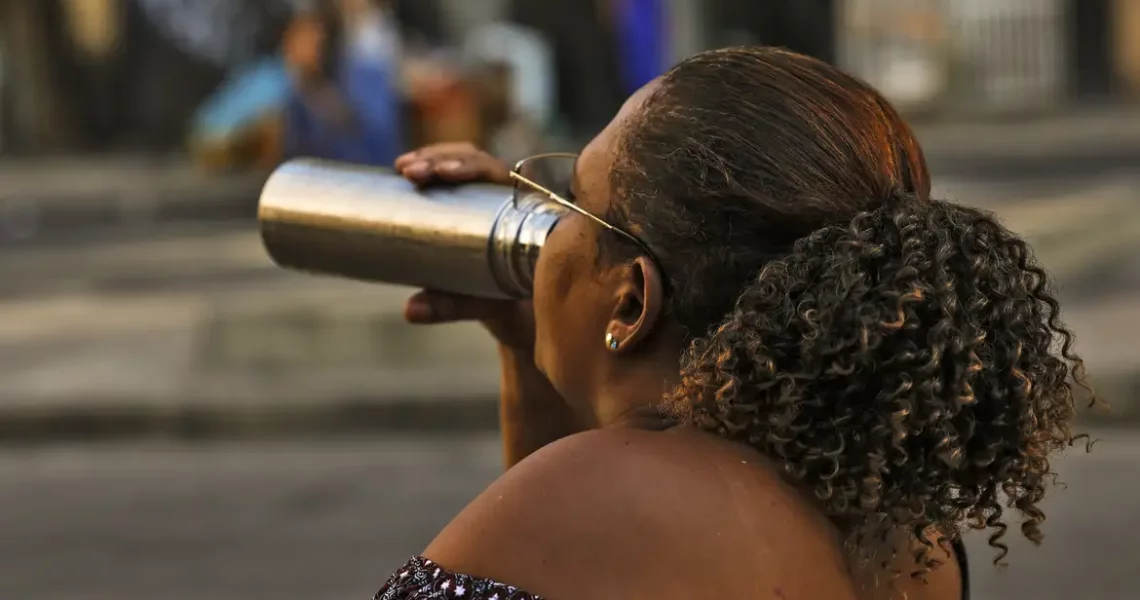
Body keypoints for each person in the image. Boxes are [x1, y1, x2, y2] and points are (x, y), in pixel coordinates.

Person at [378, 47, 1092, 600]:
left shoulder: (592, 500)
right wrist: (527, 345)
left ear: (630, 300)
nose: (547, 224)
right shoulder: (910, 534)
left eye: (571, 198)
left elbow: (576, 524)